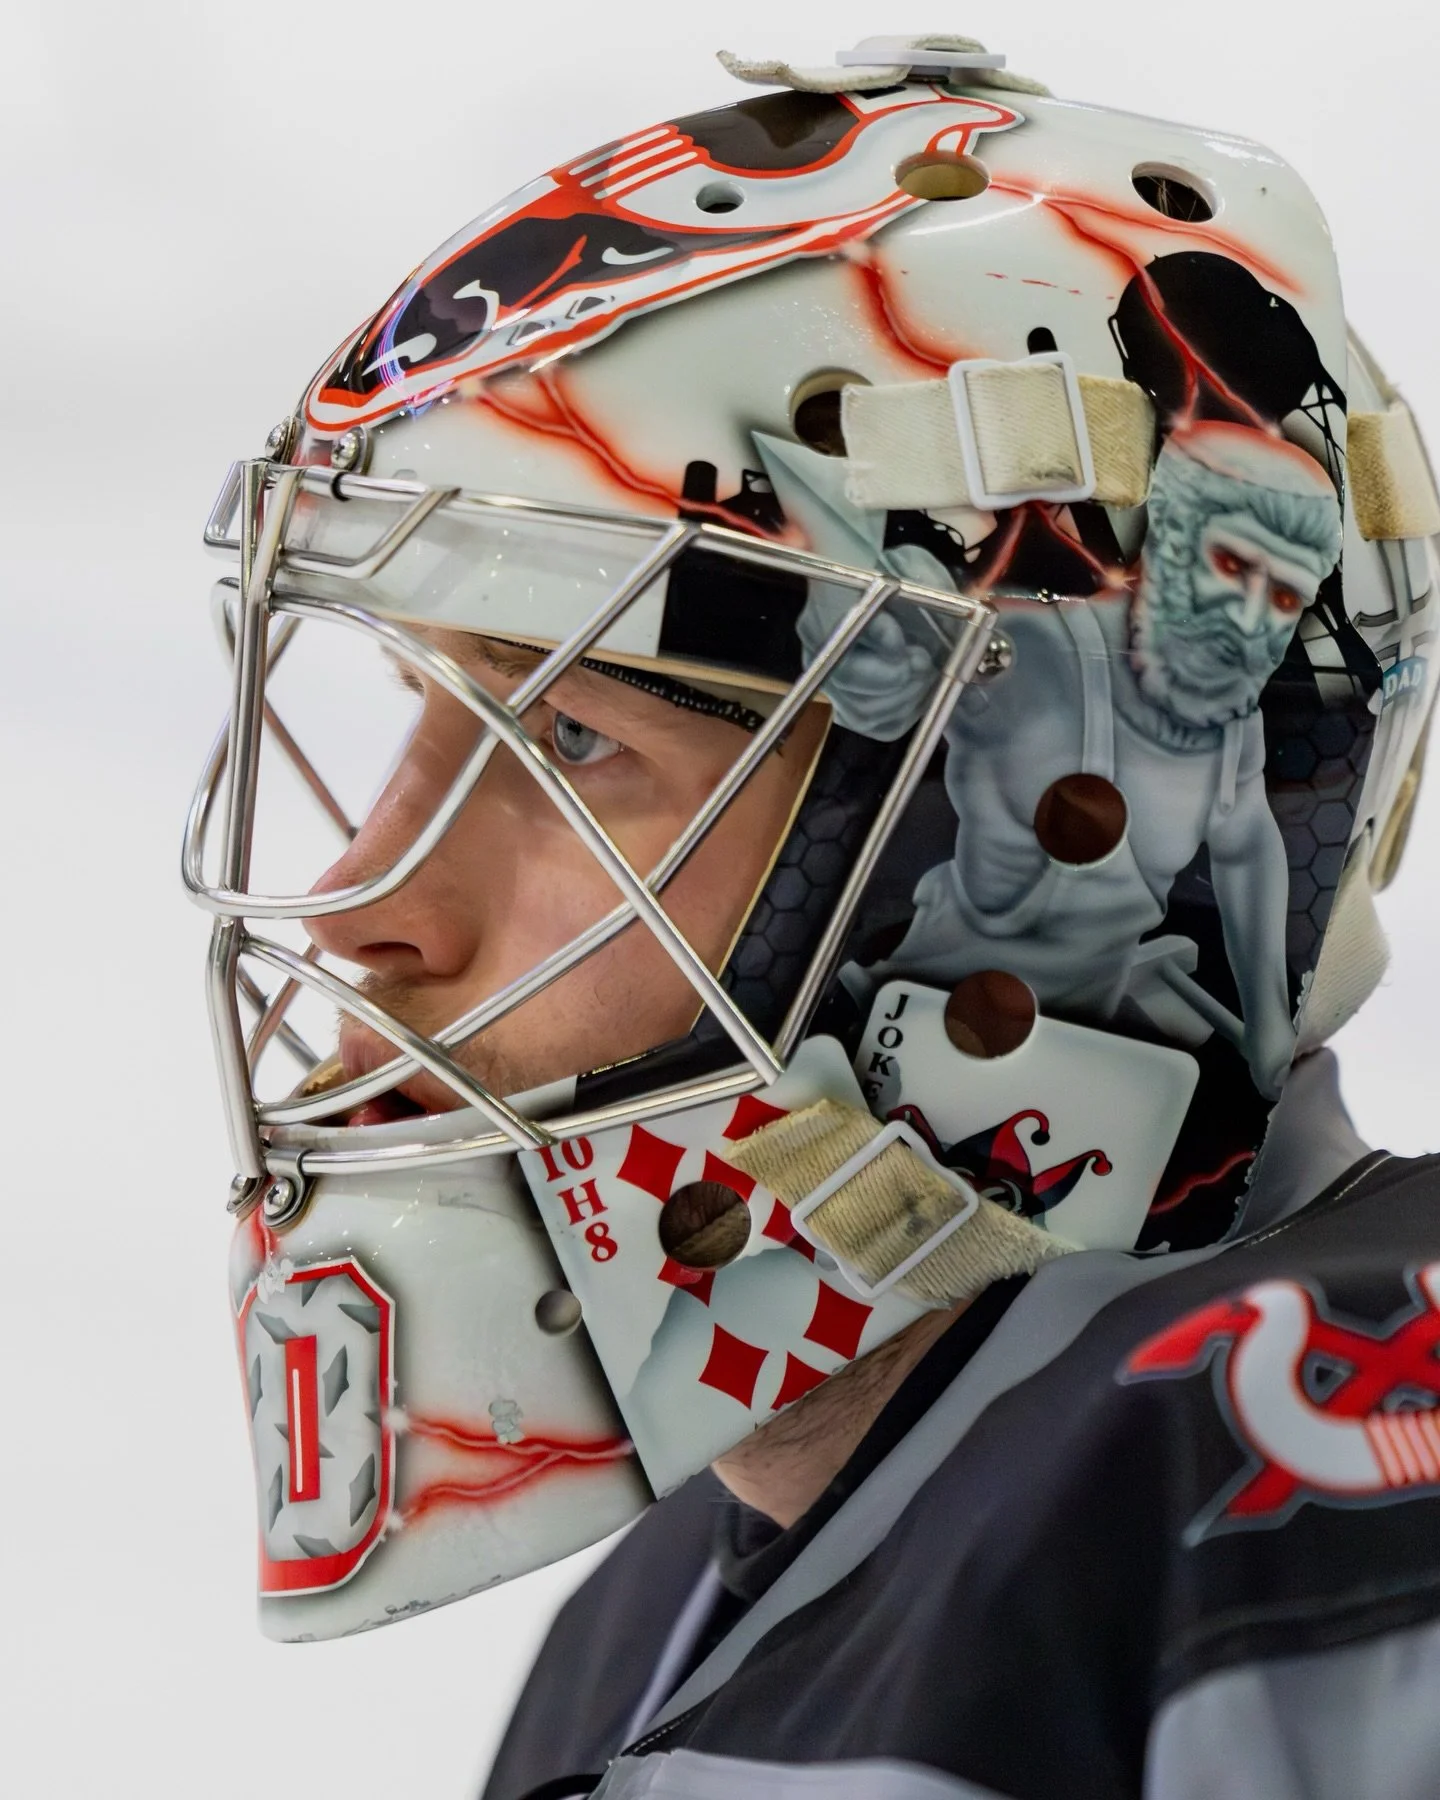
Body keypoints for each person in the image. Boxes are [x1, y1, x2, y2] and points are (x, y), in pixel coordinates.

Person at [187, 34, 1440, 1800]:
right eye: (421, 712)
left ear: (1069, 833)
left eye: (565, 738)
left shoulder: (1334, 1462)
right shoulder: (650, 1619)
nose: (365, 902)